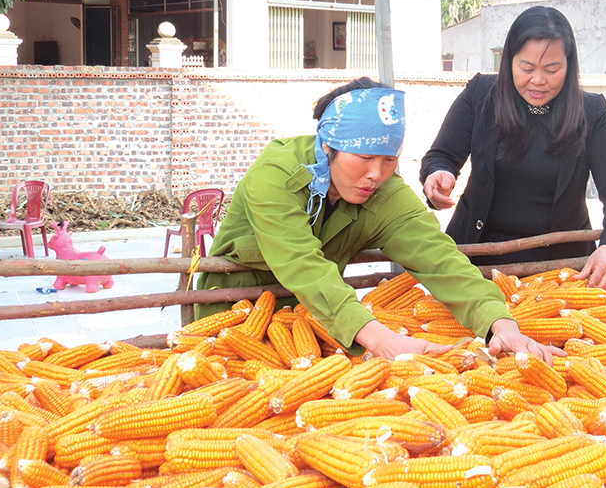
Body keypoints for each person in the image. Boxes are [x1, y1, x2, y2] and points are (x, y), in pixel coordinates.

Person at [196, 78, 563, 363]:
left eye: (389, 160)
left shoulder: (385, 192)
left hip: (314, 323)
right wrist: (381, 339)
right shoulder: (275, 174)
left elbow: (440, 258)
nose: (376, 174)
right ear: (329, 145)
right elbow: (303, 264)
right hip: (233, 315)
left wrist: (501, 324)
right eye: (364, 158)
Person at [420, 6, 606, 288]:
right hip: (477, 262)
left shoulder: (590, 112)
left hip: (559, 270)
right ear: (509, 60)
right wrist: (439, 174)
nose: (538, 80)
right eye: (526, 67)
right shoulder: (480, 95)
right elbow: (442, 156)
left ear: (569, 66)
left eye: (551, 69)